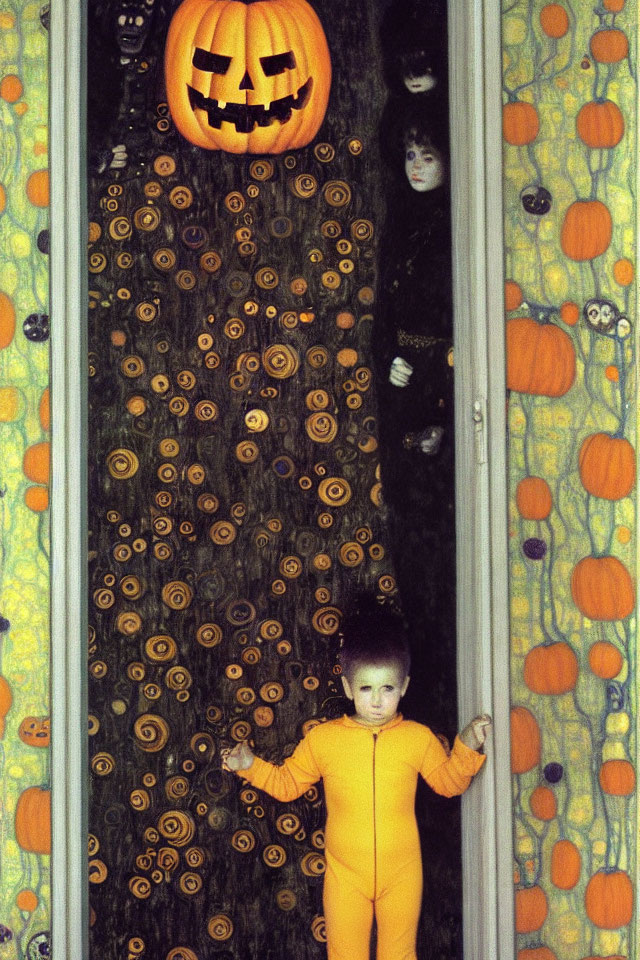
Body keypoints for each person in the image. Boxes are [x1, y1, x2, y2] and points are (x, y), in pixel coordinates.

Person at [225, 600, 490, 960]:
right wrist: (249, 765)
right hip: (345, 876)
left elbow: (448, 783)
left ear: (404, 686)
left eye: (388, 689)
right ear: (348, 688)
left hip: (403, 874)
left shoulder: (417, 738)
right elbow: (287, 784)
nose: (378, 701)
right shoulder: (324, 740)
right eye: (366, 689)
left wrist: (467, 745)